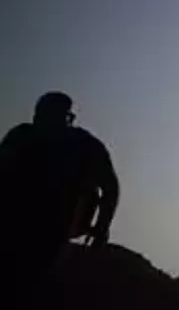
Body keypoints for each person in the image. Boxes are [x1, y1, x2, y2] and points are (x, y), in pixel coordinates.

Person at [0, 92, 119, 293]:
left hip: (57, 227)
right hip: (16, 223)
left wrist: (102, 226)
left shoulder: (83, 144)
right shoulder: (21, 136)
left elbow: (110, 187)